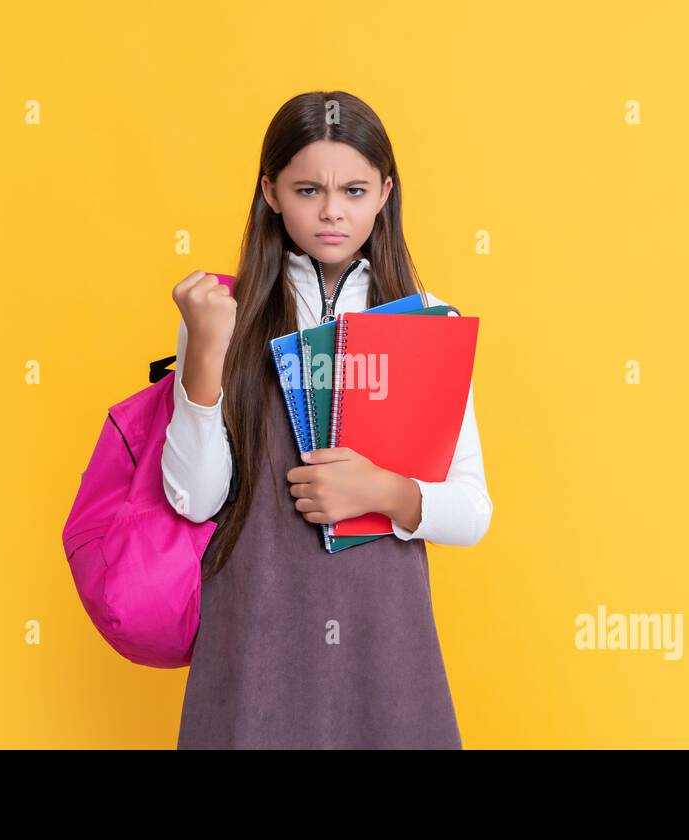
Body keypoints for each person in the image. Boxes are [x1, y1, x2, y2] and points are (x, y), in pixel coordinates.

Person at [163, 90, 492, 749]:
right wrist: (203, 353)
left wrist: (383, 492)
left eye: (355, 189)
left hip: (383, 637)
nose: (333, 211)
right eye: (308, 189)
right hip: (257, 630)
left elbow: (474, 511)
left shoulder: (431, 322)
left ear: (385, 193)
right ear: (271, 192)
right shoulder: (224, 314)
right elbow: (196, 499)